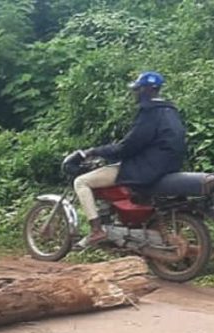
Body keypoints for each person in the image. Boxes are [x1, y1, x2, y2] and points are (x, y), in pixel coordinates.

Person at [68, 71, 187, 245]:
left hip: (147, 168)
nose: (135, 94)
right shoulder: (170, 111)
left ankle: (96, 230)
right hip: (168, 166)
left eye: (137, 89)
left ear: (146, 90)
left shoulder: (149, 112)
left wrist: (94, 151)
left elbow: (129, 146)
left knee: (81, 182)